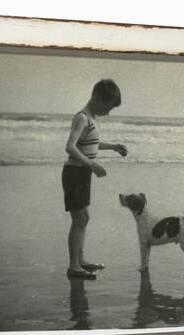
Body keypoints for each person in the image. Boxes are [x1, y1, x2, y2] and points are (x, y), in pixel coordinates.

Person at [62, 79, 128, 279]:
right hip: (74, 174)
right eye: (108, 108)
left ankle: (80, 261)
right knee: (79, 219)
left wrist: (113, 146)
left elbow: (92, 144)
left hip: (82, 175)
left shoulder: (91, 119)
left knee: (84, 219)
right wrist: (92, 165)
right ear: (98, 98)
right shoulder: (82, 118)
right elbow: (70, 147)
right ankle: (74, 267)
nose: (108, 113)